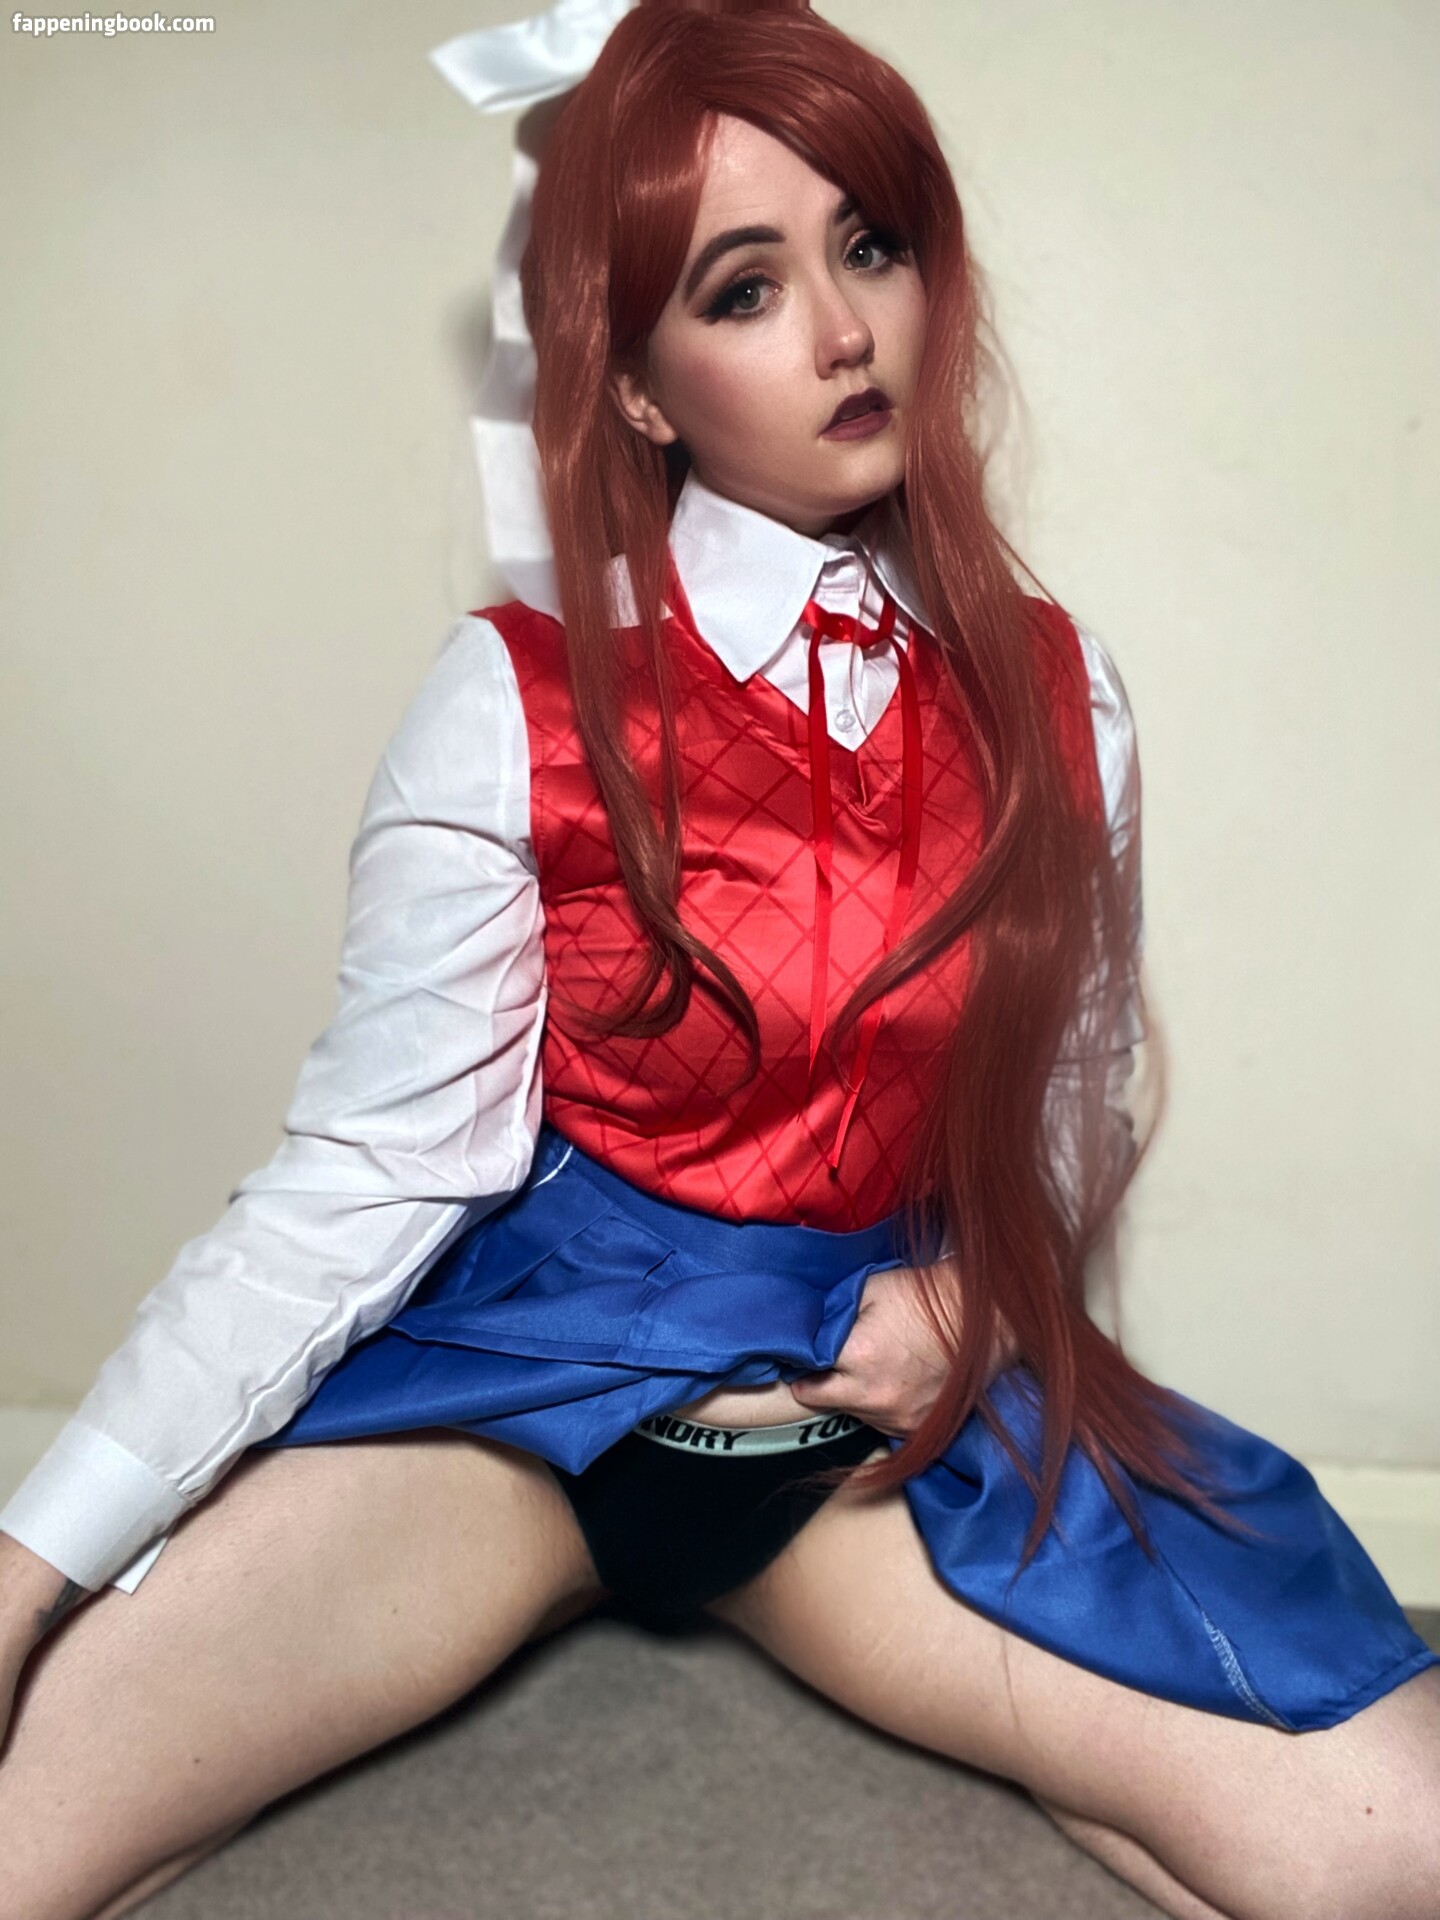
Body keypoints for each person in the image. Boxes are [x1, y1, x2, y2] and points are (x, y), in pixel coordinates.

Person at [1, 3, 1437, 1916]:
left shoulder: (1057, 688)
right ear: (640, 387)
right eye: (744, 288)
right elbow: (364, 1177)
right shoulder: (512, 706)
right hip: (510, 1397)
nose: (845, 332)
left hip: (867, 1419)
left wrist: (989, 1304)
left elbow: (1075, 1093)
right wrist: (22, 1568)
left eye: (871, 245)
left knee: (1389, 1847)